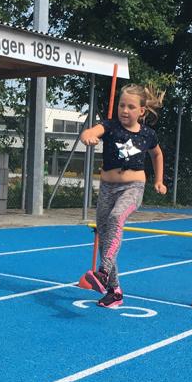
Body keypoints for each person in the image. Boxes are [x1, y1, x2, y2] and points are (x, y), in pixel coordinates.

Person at [79, 84, 167, 308]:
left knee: (116, 217)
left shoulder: (148, 134)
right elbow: (90, 132)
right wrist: (88, 137)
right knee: (105, 239)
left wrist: (159, 180)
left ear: (141, 111)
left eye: (130, 107)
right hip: (107, 188)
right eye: (121, 105)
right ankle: (114, 291)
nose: (124, 110)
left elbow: (157, 155)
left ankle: (103, 272)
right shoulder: (110, 126)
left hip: (133, 188)